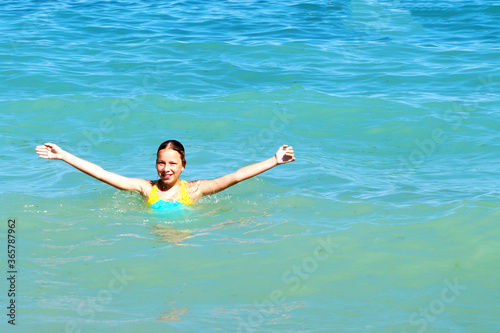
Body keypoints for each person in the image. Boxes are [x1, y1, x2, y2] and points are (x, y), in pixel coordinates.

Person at [35, 140, 295, 210]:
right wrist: (63, 155)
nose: (166, 168)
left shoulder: (195, 189)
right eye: (161, 163)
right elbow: (102, 174)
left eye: (172, 163)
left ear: (183, 166)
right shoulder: (146, 189)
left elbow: (236, 176)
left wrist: (273, 160)